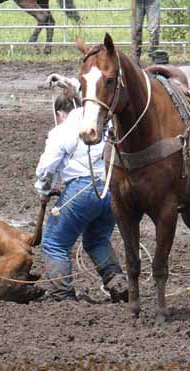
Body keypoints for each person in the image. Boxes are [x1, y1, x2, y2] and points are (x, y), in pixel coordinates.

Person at [35, 76, 128, 302]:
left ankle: (62, 294)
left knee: (54, 241)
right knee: (97, 239)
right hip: (111, 189)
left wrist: (43, 189)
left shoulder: (63, 130)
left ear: (60, 113)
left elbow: (47, 167)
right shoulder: (103, 122)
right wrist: (67, 81)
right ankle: (117, 283)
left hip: (82, 188)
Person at [132, 0, 161, 66]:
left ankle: (153, 56)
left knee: (155, 30)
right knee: (136, 30)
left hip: (153, 2)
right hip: (137, 2)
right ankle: (135, 59)